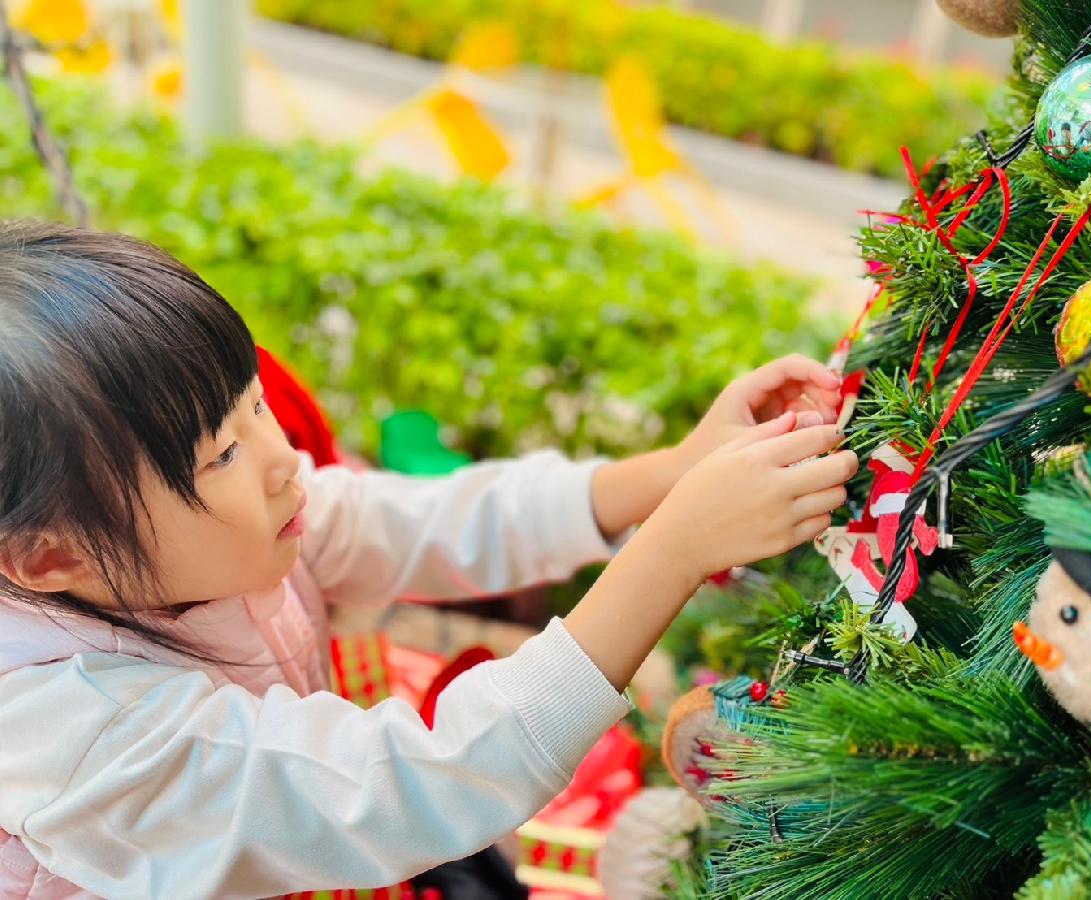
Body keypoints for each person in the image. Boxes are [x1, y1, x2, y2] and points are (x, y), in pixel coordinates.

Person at [0, 221, 856, 899]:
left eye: (256, 406)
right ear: (50, 558)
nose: (281, 458)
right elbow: (419, 782)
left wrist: (666, 476)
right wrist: (672, 551)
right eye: (219, 454)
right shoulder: (73, 741)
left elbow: (428, 519)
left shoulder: (210, 541)